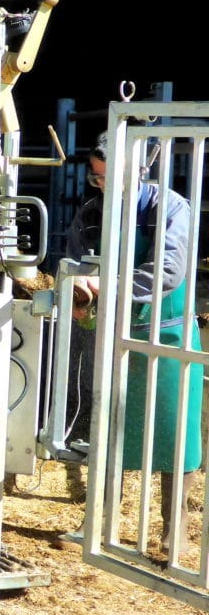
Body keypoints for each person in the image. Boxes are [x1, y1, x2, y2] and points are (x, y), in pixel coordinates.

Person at [67, 131, 202, 554]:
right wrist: (76, 293)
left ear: (139, 171)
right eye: (97, 177)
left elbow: (167, 269)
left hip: (168, 330)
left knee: (175, 430)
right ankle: (100, 524)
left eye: (110, 177)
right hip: (110, 327)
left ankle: (172, 533)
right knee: (110, 422)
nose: (102, 185)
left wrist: (108, 286)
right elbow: (76, 260)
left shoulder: (170, 207)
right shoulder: (92, 210)